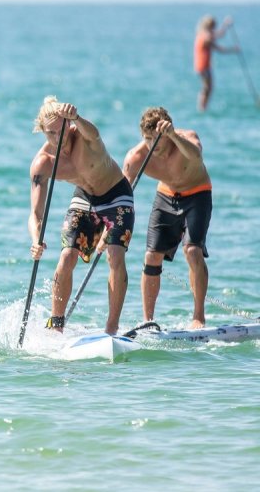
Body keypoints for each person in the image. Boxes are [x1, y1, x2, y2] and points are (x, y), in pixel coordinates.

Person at [29, 96, 134, 336]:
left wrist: (76, 117)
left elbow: (93, 132)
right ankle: (56, 326)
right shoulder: (43, 163)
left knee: (115, 255)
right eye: (51, 133)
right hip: (85, 198)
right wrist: (36, 239)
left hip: (116, 193)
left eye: (62, 130)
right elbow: (35, 212)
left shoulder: (84, 136)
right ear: (42, 131)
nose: (58, 138)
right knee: (66, 256)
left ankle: (111, 326)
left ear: (69, 124)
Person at [123, 107, 212, 328]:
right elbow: (122, 195)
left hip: (197, 194)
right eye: (147, 139)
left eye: (158, 139)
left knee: (192, 251)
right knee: (151, 256)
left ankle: (198, 316)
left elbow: (196, 156)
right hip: (166, 196)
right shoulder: (137, 157)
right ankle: (148, 320)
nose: (153, 145)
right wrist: (110, 229)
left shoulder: (186, 139)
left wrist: (172, 135)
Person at [194, 14, 239, 112]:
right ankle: (202, 108)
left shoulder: (203, 34)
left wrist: (225, 25)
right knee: (207, 88)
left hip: (204, 66)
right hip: (203, 66)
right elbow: (218, 47)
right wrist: (232, 49)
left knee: (208, 88)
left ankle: (203, 108)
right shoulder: (205, 37)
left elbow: (219, 34)